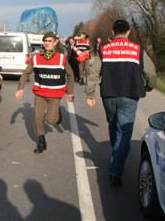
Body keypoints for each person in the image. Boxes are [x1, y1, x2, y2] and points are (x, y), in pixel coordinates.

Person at [86, 19, 156, 187]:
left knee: (113, 123)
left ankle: (116, 153)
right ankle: (115, 170)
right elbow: (150, 72)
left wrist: (90, 93)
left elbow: (94, 71)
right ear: (128, 32)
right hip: (130, 96)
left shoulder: (104, 49)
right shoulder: (137, 50)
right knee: (123, 132)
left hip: (108, 95)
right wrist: (149, 86)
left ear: (113, 31)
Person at [15, 32, 75, 154]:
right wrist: (21, 88)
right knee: (38, 118)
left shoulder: (62, 58)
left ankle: (57, 114)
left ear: (55, 42)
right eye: (45, 41)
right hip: (40, 94)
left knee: (51, 120)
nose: (47, 43)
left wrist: (70, 92)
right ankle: (41, 142)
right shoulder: (36, 58)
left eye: (49, 41)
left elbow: (70, 74)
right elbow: (26, 73)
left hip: (55, 95)